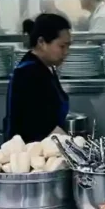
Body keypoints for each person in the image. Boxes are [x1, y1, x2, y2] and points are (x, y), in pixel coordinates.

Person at [5, 13, 72, 142]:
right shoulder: (28, 73)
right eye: (62, 46)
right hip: (31, 152)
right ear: (41, 42)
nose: (66, 52)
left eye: (68, 46)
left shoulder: (46, 67)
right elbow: (42, 125)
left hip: (47, 146)